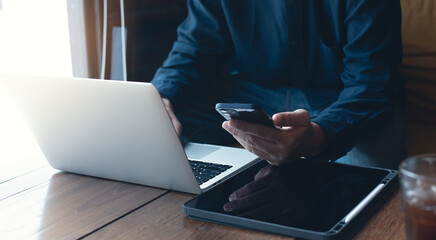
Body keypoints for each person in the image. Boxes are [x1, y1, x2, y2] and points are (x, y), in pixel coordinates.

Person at [151, 0, 405, 169]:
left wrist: (320, 136)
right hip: (249, 90)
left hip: (341, 99)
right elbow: (196, 47)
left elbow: (370, 84)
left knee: (367, 176)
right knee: (159, 125)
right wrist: (160, 97)